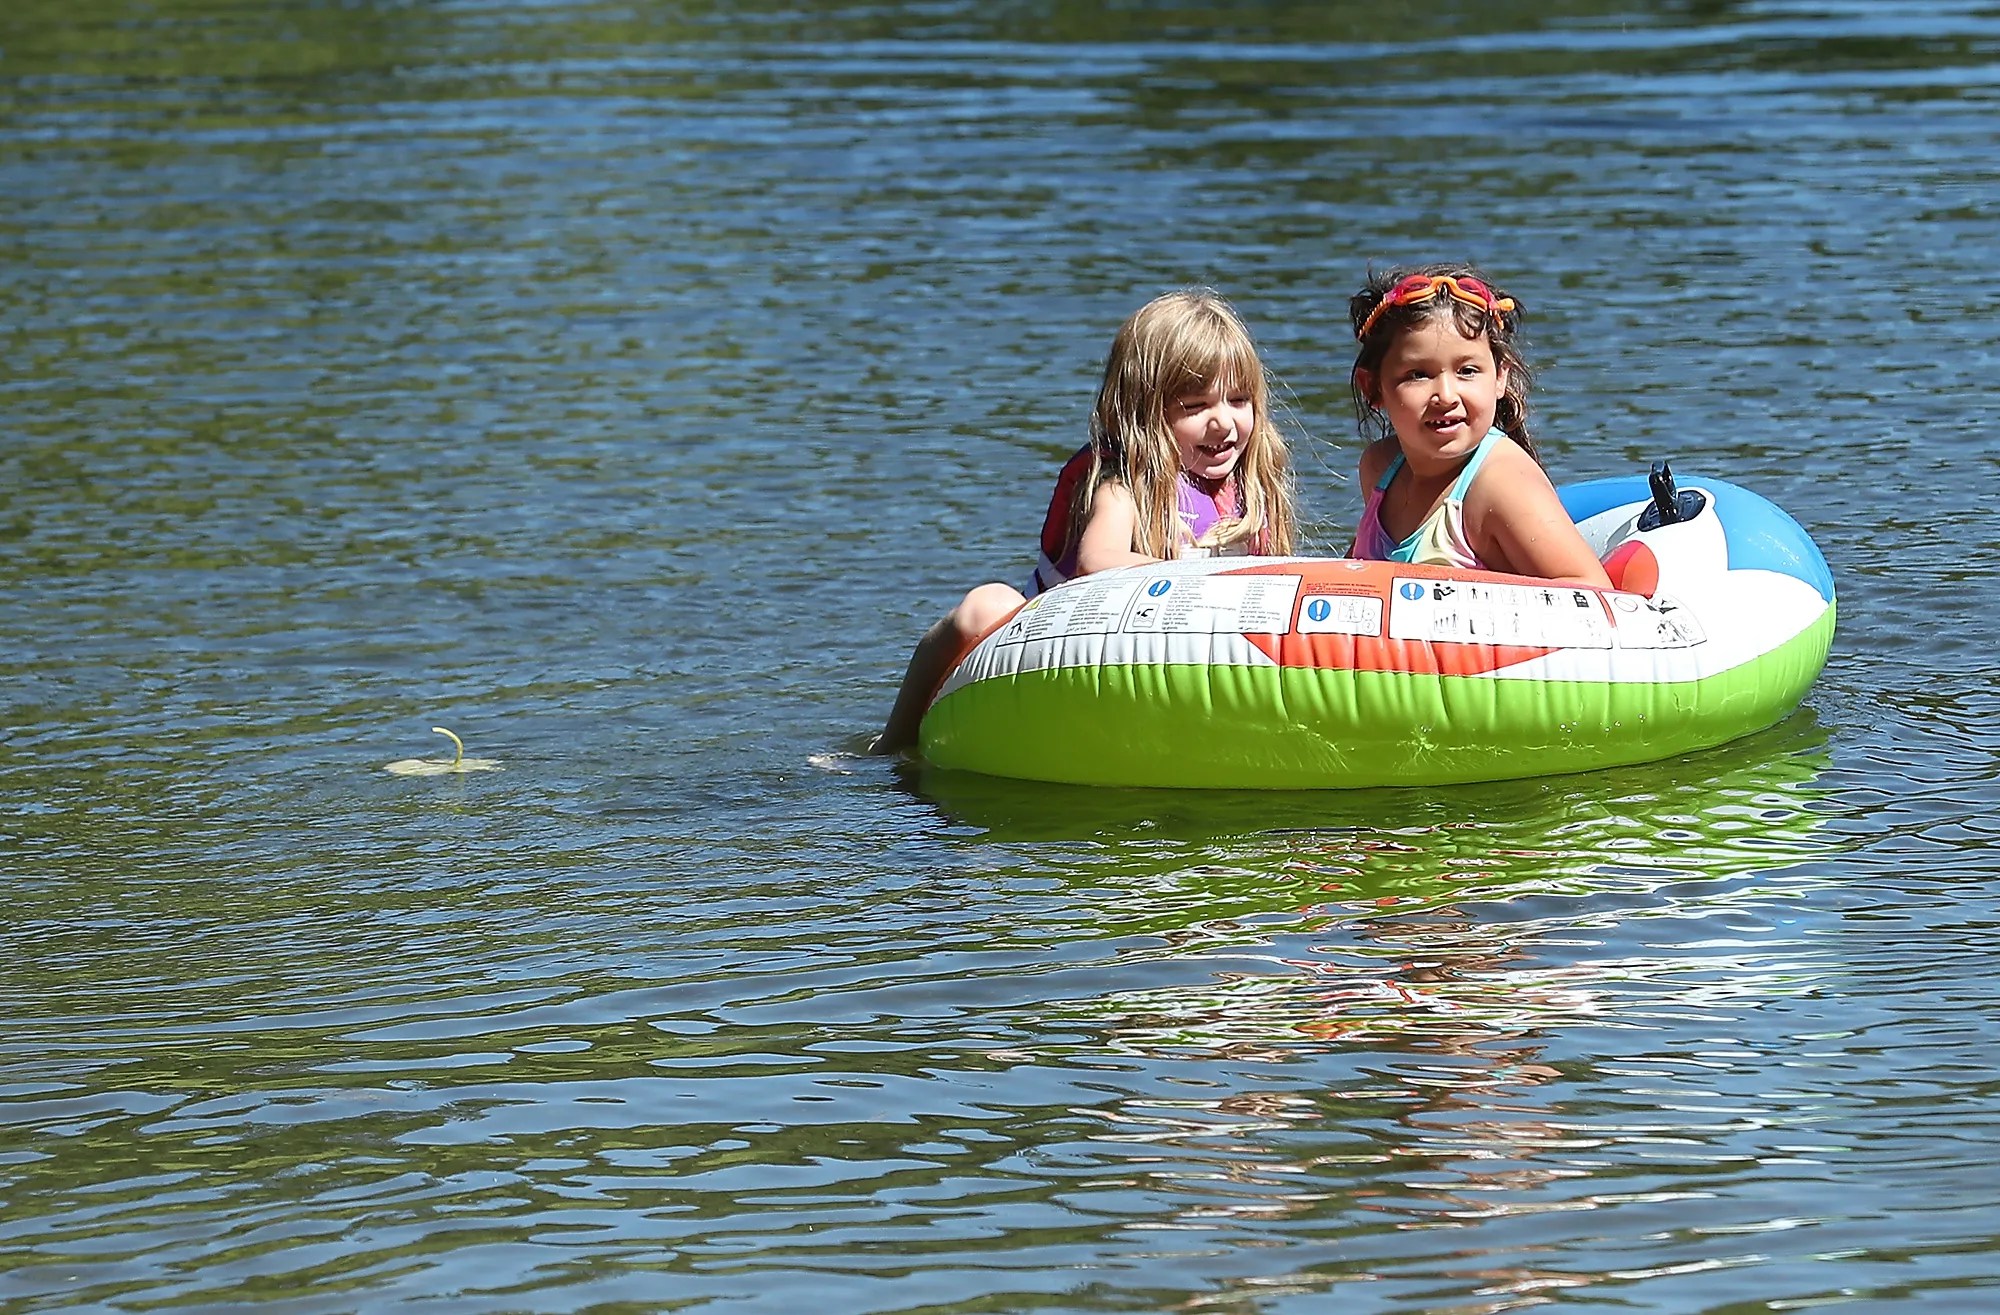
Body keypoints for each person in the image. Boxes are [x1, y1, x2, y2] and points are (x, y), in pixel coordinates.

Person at [870, 287, 1299, 755]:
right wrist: (1200, 576)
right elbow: (1098, 559)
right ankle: (893, 746)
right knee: (985, 604)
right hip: (1054, 650)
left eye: (1239, 401)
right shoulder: (1124, 483)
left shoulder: (1252, 487)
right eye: (1195, 407)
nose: (1224, 423)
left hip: (1175, 663)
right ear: (1142, 413)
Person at [1346, 263, 1611, 587]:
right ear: (1372, 388)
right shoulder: (1380, 468)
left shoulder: (1500, 485)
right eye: (1417, 375)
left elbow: (1593, 589)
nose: (1445, 395)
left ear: (1501, 377)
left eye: (1467, 371)